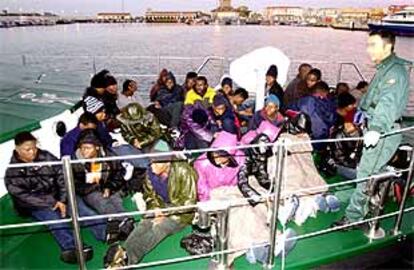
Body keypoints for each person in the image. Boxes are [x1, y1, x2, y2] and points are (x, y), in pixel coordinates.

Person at [334, 30, 412, 228]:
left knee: (366, 174)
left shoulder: (395, 72)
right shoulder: (385, 69)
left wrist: (376, 128)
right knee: (369, 172)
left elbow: (388, 102)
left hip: (383, 132)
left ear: (387, 46)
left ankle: (353, 218)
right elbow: (373, 100)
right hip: (376, 128)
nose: (368, 49)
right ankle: (369, 209)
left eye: (373, 45)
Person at [4, 132, 107, 264]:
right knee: (55, 220)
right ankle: (73, 248)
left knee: (82, 209)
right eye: (28, 150)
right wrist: (54, 202)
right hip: (36, 205)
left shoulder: (46, 156)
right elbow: (25, 197)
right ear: (17, 149)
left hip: (59, 195)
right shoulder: (12, 172)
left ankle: (105, 232)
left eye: (34, 148)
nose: (33, 152)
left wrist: (63, 199)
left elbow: (62, 176)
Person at [104, 141, 198, 267]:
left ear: (167, 162)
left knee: (159, 228)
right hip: (161, 207)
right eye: (151, 161)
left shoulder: (185, 171)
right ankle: (122, 252)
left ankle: (127, 262)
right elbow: (149, 194)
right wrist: (156, 209)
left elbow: (188, 203)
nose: (152, 166)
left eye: (156, 162)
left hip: (180, 214)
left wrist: (165, 212)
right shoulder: (150, 171)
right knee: (144, 222)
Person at [72, 130, 134, 243]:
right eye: (82, 147)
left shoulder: (109, 156)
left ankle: (123, 221)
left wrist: (109, 186)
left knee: (115, 199)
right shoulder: (76, 161)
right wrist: (93, 186)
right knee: (100, 201)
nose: (83, 151)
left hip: (108, 185)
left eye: (87, 148)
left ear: (96, 147)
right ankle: (123, 221)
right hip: (89, 190)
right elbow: (75, 184)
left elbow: (119, 174)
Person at [195, 131, 245, 202]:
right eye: (215, 155)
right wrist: (208, 202)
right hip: (212, 195)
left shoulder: (240, 158)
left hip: (233, 193)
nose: (217, 160)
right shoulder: (202, 163)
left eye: (221, 156)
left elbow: (241, 179)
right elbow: (202, 187)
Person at [289, 81, 337, 150]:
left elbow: (288, 111)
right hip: (320, 138)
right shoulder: (327, 104)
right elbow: (330, 119)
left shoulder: (303, 101)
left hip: (303, 138)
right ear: (324, 92)